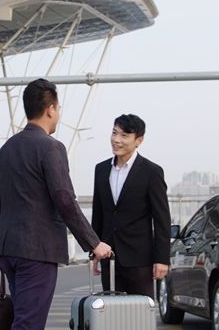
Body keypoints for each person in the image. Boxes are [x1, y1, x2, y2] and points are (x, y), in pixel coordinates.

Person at [0, 78, 112, 330]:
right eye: (59, 108)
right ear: (51, 109)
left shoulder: (7, 148)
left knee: (23, 318)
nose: (59, 114)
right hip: (37, 251)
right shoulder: (51, 147)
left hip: (9, 250)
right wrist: (93, 243)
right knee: (29, 324)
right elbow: (64, 199)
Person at [91, 114, 170, 298]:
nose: (116, 140)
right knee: (111, 312)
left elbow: (162, 219)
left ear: (139, 140)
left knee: (139, 311)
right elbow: (99, 213)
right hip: (108, 257)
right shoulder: (101, 169)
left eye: (124, 135)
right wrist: (93, 250)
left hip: (139, 260)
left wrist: (162, 259)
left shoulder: (151, 172)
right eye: (114, 133)